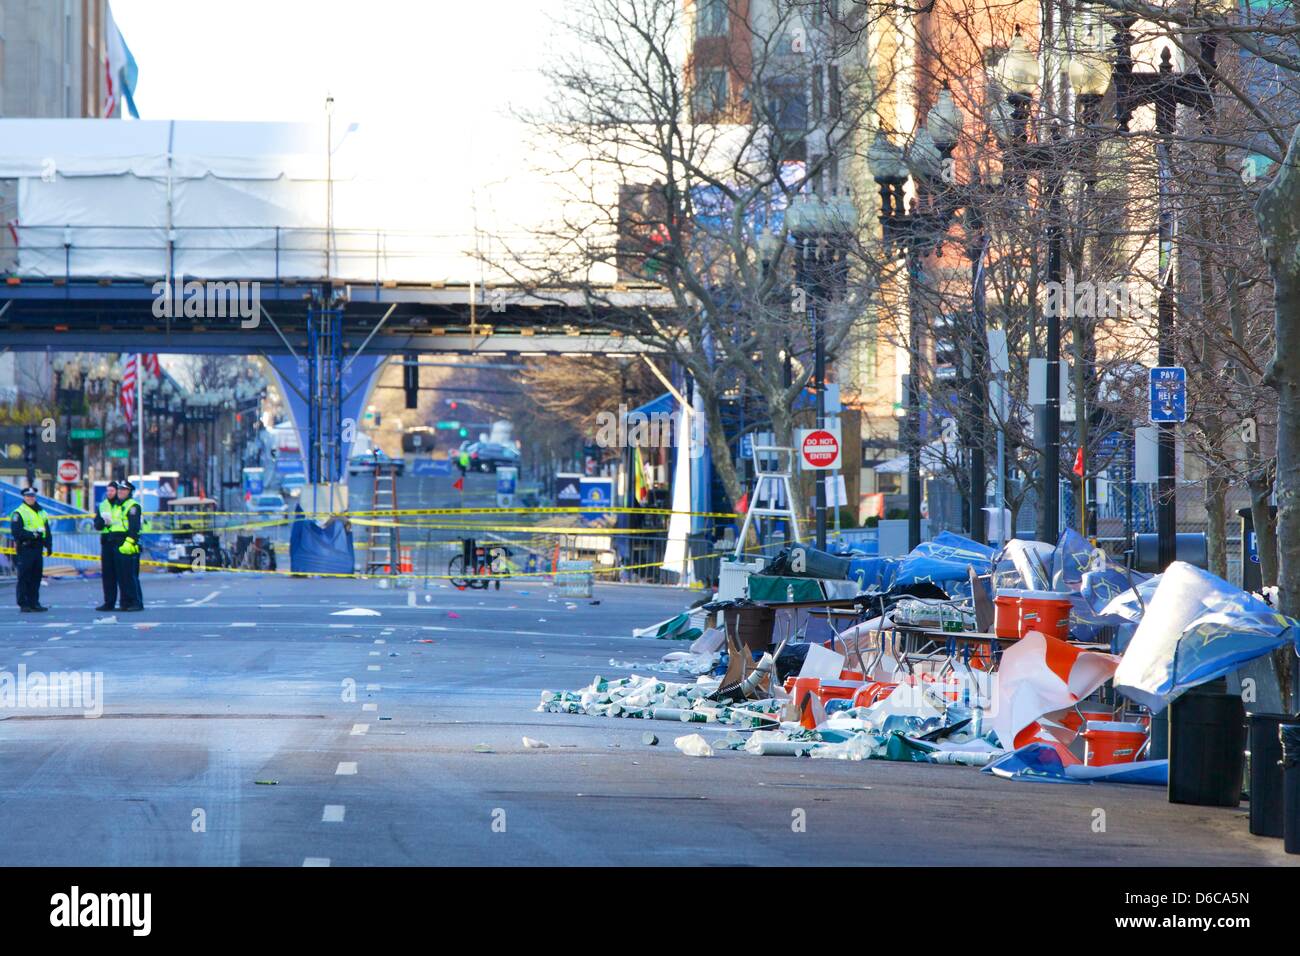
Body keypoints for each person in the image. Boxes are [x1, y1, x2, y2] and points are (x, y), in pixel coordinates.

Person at [11, 486, 52, 612]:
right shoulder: (19, 512)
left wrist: (49, 544)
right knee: (24, 576)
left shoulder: (41, 512)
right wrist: (32, 535)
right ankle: (24, 603)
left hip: (37, 548)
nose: (30, 498)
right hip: (25, 548)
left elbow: (47, 530)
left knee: (36, 576)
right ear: (24, 497)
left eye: (32, 496)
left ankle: (34, 602)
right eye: (28, 496)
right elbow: (16, 532)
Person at [112, 479, 145, 612]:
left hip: (128, 544)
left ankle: (136, 602)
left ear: (129, 492)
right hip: (117, 542)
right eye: (119, 489)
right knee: (121, 576)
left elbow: (134, 527)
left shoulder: (133, 506)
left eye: (123, 490)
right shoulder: (117, 506)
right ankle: (125, 602)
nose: (120, 492)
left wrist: (129, 543)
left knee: (130, 576)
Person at [92, 481, 121, 611]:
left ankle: (125, 601)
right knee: (108, 575)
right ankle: (109, 602)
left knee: (122, 574)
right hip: (106, 541)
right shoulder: (103, 505)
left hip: (119, 541)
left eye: (112, 491)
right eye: (108, 491)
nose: (109, 493)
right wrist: (103, 522)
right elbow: (97, 524)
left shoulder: (121, 504)